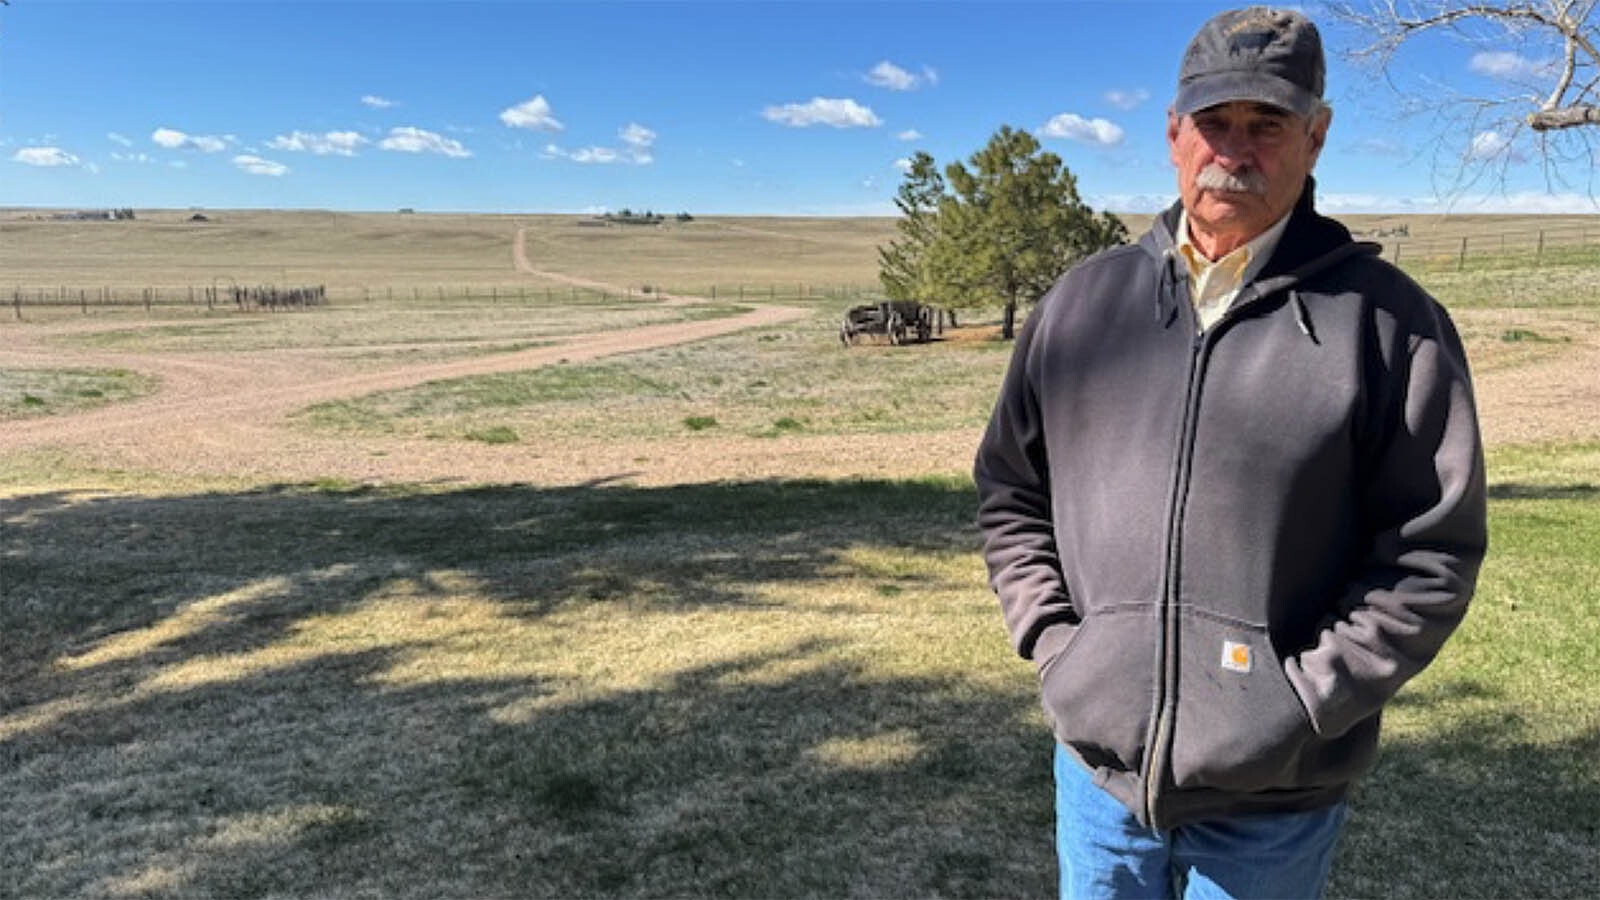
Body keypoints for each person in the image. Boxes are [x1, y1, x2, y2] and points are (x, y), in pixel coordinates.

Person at [972, 6, 1487, 898]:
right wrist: (1059, 645)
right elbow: (1012, 490)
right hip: (1098, 783)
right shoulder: (1083, 304)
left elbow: (1432, 550)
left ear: (1316, 137)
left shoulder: (1390, 325)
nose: (1235, 150)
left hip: (1275, 799)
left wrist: (1307, 698)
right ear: (1174, 134)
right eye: (1215, 123)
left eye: (1268, 124)